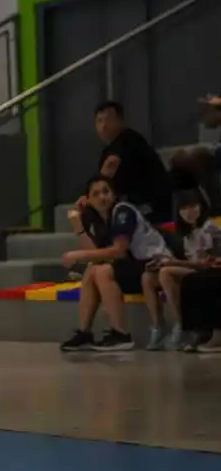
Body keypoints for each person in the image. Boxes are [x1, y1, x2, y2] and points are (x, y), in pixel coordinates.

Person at [60, 174, 172, 352]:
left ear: (114, 194)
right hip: (135, 267)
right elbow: (97, 255)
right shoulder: (100, 220)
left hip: (155, 266)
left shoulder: (122, 211)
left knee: (103, 271)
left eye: (106, 192)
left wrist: (79, 255)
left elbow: (119, 251)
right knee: (92, 270)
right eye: (95, 194)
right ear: (88, 200)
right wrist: (78, 226)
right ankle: (84, 333)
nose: (102, 197)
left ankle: (121, 334)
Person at [148, 189, 221, 350]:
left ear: (201, 206)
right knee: (148, 278)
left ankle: (182, 325)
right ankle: (160, 326)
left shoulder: (208, 227)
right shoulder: (187, 233)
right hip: (199, 271)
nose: (189, 212)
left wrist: (173, 262)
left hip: (211, 272)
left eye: (193, 206)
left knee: (167, 272)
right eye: (184, 208)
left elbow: (206, 264)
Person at [92, 101, 172, 223]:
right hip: (134, 206)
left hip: (150, 209)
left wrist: (90, 197)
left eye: (108, 119)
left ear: (121, 121)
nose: (104, 125)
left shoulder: (128, 139)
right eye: (99, 121)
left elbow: (108, 171)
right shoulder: (109, 149)